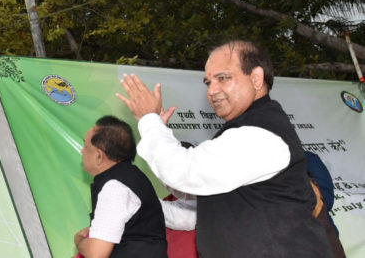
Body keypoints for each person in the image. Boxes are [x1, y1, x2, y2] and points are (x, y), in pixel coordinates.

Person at [116, 40, 332, 258]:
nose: (212, 90)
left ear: (256, 78)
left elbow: (184, 172)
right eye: (208, 82)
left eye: (223, 78)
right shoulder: (241, 131)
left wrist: (150, 121)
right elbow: (197, 195)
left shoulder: (261, 134)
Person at [74, 115, 167, 258]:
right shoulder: (131, 176)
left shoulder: (114, 187)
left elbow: (96, 253)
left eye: (85, 146)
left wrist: (79, 240)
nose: (82, 151)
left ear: (99, 156)